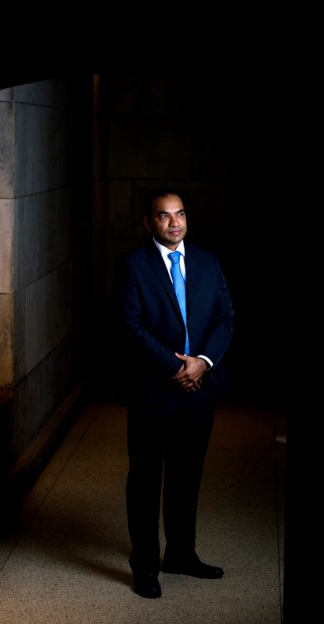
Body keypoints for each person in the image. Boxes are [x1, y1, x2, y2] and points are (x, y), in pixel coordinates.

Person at [112, 185, 235, 598]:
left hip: (199, 390)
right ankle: (145, 566)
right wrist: (174, 365)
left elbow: (225, 318)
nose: (174, 222)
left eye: (180, 213)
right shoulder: (132, 266)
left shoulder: (206, 261)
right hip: (153, 391)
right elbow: (129, 327)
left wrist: (203, 363)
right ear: (149, 223)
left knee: (187, 479)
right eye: (164, 216)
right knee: (145, 481)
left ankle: (181, 554)